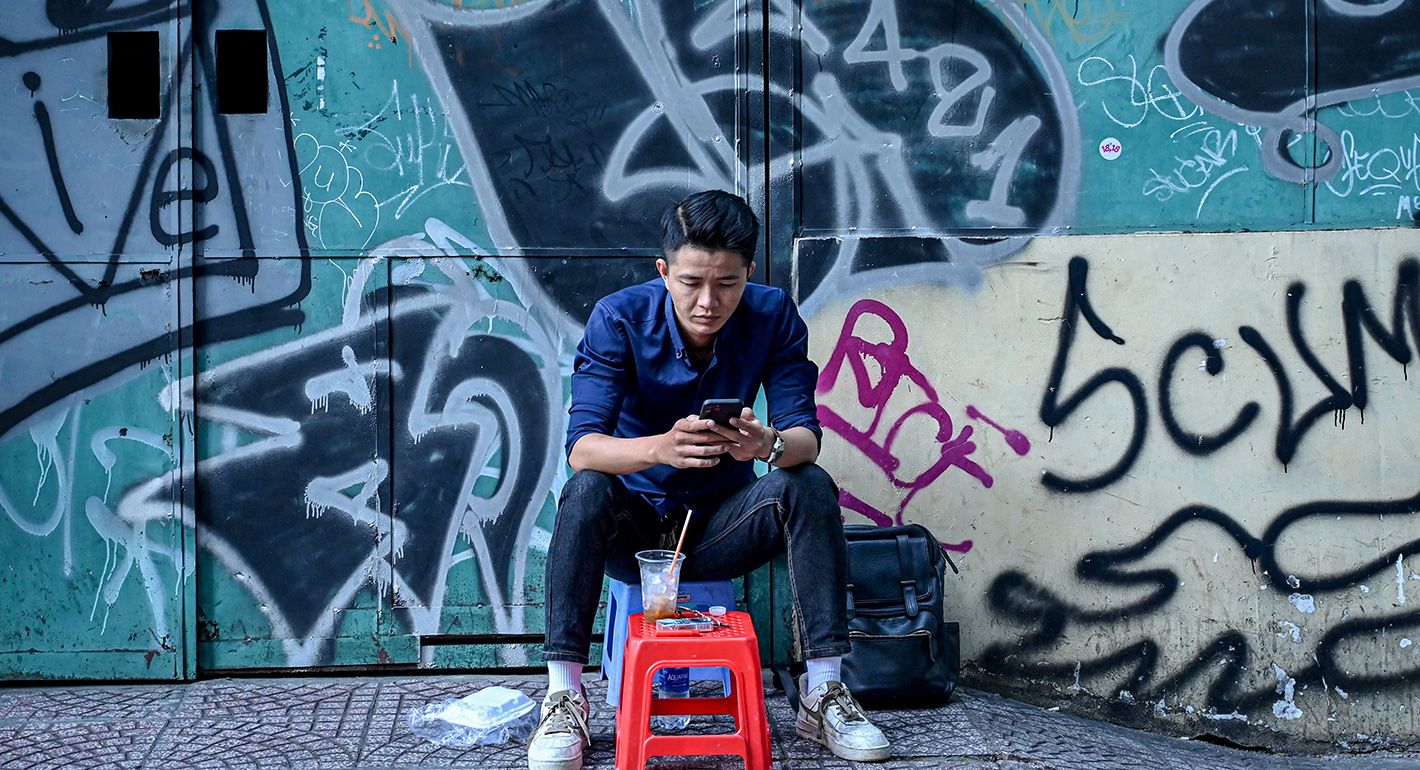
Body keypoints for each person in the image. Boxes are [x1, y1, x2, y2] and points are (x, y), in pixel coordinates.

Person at [527, 190, 891, 770]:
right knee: (586, 490)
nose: (707, 301)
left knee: (809, 482)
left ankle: (823, 692)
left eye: (727, 283)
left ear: (749, 272)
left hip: (723, 528)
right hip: (636, 536)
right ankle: (564, 697)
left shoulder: (772, 315)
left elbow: (806, 437)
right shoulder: (618, 318)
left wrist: (767, 444)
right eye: (692, 281)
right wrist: (661, 448)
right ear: (663, 271)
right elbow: (582, 450)